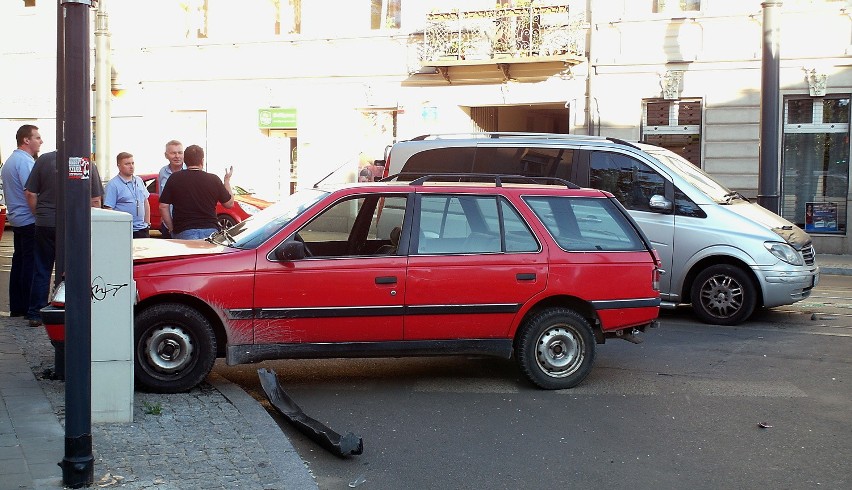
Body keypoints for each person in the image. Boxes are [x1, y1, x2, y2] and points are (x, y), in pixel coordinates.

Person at [25, 151, 103, 326]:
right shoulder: (85, 162)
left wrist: (40, 214)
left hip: (46, 223)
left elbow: (30, 193)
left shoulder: (44, 160)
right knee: (73, 268)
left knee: (42, 268)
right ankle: (68, 310)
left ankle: (35, 313)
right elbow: (95, 200)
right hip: (74, 225)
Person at [1, 124, 41, 323]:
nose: (40, 141)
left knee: (19, 262)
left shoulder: (10, 161)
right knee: (29, 263)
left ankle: (17, 306)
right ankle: (27, 306)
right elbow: (30, 191)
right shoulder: (25, 162)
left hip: (17, 218)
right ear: (26, 140)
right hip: (28, 219)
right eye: (37, 137)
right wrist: (38, 214)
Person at [159, 144, 233, 240]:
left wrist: (171, 229)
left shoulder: (174, 178)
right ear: (202, 161)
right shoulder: (213, 179)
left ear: (185, 160)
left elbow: (163, 206)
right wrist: (226, 181)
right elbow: (229, 204)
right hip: (210, 231)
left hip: (183, 231)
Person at [103, 152, 150, 238]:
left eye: (132, 163)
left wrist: (147, 223)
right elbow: (108, 210)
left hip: (142, 229)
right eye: (127, 164)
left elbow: (145, 201)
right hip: (123, 231)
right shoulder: (113, 185)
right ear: (119, 166)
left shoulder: (139, 181)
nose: (131, 166)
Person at [156, 140, 185, 237]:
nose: (177, 156)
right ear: (166, 155)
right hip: (167, 225)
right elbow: (162, 199)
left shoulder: (190, 170)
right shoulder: (163, 172)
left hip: (185, 225)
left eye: (180, 153)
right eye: (173, 153)